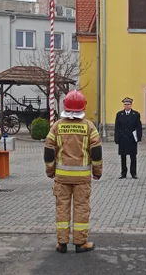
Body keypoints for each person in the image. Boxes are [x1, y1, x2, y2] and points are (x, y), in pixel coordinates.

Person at [44, 90, 103, 253]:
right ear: (83, 107)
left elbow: (49, 151)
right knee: (81, 208)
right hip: (82, 178)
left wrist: (50, 171)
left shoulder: (57, 126)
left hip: (61, 177)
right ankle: (80, 242)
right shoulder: (89, 127)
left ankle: (61, 242)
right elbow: (96, 152)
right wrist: (97, 171)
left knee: (61, 208)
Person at [113, 96, 142, 179]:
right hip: (123, 138)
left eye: (128, 104)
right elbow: (117, 127)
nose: (127, 106)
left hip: (132, 138)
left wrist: (138, 137)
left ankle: (133, 173)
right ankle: (123, 173)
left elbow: (138, 126)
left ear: (131, 105)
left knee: (133, 156)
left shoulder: (136, 114)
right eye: (125, 104)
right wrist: (117, 138)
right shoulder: (119, 114)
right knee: (123, 156)